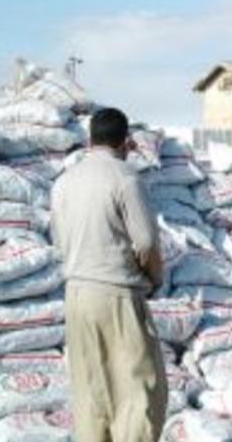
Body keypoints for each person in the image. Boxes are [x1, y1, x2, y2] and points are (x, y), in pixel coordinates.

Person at [51, 107, 167, 442]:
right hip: (117, 295)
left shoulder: (64, 182)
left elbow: (59, 239)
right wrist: (154, 277)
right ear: (126, 141)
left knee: (92, 393)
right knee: (138, 393)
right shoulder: (125, 177)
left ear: (89, 140)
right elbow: (145, 241)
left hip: (76, 296)